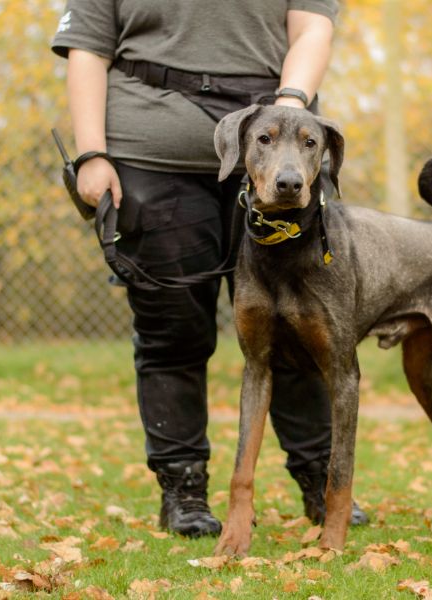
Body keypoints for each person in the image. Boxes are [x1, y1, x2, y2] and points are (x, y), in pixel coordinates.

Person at [51, 1, 368, 538]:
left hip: (278, 153)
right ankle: (183, 491)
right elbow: (88, 49)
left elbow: (313, 27)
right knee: (172, 330)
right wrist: (90, 155)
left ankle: (319, 480)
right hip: (153, 156)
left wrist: (289, 102)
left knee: (303, 327)